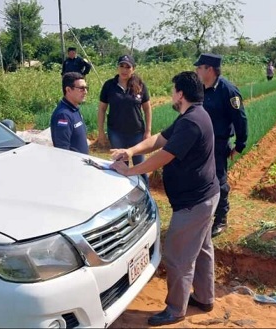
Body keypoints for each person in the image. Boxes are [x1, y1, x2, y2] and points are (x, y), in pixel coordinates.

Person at [110, 71, 220, 327]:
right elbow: (159, 139)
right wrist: (131, 150)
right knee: (202, 249)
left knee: (177, 256)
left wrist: (130, 170)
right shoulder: (191, 116)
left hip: (194, 203)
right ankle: (205, 297)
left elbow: (164, 155)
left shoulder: (191, 122)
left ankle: (175, 309)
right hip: (204, 196)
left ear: (180, 94)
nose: (172, 94)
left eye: (173, 90)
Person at [194, 53, 248, 237]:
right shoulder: (199, 89)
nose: (197, 70)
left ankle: (221, 218)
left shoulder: (229, 90)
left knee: (219, 179)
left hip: (218, 142)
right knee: (201, 178)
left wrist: (240, 144)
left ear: (209, 69)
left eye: (199, 67)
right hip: (199, 143)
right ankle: (205, 214)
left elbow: (240, 119)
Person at [97, 54, 152, 183]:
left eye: (128, 67)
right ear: (118, 67)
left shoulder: (140, 85)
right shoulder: (109, 86)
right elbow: (102, 109)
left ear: (133, 69)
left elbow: (147, 109)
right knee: (121, 167)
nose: (124, 70)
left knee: (141, 167)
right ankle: (124, 198)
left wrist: (148, 131)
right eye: (121, 66)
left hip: (137, 134)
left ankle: (145, 195)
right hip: (116, 133)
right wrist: (100, 131)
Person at [50, 72, 89, 154]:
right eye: (81, 88)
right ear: (68, 90)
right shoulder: (63, 115)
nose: (85, 92)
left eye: (86, 88)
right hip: (72, 164)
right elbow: (62, 149)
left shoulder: (74, 109)